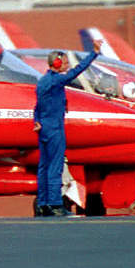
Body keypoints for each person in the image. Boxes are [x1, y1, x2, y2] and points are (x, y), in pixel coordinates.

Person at [34, 48, 100, 215]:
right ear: (56, 63)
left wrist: (36, 122)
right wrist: (94, 53)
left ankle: (43, 204)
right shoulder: (56, 81)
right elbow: (77, 71)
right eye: (64, 62)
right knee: (55, 168)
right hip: (55, 128)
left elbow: (37, 107)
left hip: (43, 128)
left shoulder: (42, 81)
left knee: (43, 167)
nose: (67, 65)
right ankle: (56, 205)